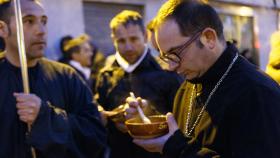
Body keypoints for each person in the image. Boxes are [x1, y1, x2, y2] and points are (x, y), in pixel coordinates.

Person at [126, 1, 280, 157]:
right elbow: (185, 134)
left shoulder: (258, 93)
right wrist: (148, 121)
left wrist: (178, 148)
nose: (170, 67)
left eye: (175, 53)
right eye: (165, 57)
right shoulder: (188, 85)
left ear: (208, 38)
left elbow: (179, 146)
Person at [0, 0, 107, 157]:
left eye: (43, 21)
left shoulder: (67, 76)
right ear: (2, 28)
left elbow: (94, 134)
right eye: (29, 21)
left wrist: (45, 117)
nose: (41, 30)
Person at [95, 10, 182, 158]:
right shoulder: (105, 74)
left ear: (145, 36)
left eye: (134, 39)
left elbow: (182, 118)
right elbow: (97, 107)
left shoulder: (168, 72)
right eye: (121, 41)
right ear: (113, 39)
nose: (128, 47)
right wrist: (100, 113)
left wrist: (149, 114)